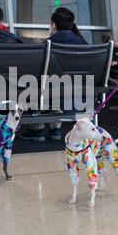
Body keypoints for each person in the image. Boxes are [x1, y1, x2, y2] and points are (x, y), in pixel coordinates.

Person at [19, 8, 86, 142]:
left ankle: (37, 128)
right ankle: (55, 128)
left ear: (54, 24)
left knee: (31, 82)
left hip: (51, 96)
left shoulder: (48, 44)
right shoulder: (84, 44)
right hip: (81, 98)